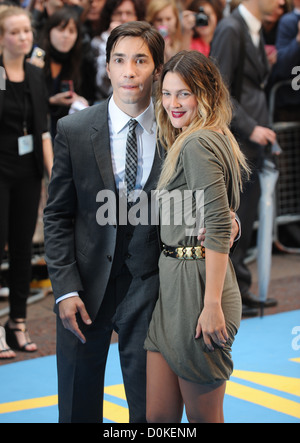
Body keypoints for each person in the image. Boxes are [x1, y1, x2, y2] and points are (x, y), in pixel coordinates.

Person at [144, 50, 248, 424]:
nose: (172, 104)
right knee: (158, 419)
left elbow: (219, 223)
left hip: (198, 287)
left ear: (206, 94)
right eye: (167, 93)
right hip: (172, 286)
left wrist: (212, 304)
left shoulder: (197, 142)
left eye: (183, 94)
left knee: (204, 419)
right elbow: (216, 214)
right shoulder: (204, 136)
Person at [210, 0, 281, 316]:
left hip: (253, 145)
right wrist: (251, 128)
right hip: (238, 145)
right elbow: (218, 90)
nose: (282, 2)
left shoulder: (252, 30)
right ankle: (228, 298)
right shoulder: (231, 29)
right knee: (233, 221)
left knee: (246, 220)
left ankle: (240, 290)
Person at [0, 6, 53, 360]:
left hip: (28, 173)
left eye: (27, 31)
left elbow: (43, 130)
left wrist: (53, 176)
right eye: (15, 32)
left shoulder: (36, 75)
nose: (23, 37)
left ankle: (16, 321)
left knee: (22, 248)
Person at [39, 7, 96, 138]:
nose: (66, 35)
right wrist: (51, 101)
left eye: (71, 31)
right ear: (49, 31)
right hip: (40, 132)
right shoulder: (36, 59)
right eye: (60, 29)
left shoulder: (82, 63)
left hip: (69, 133)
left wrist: (81, 101)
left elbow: (91, 98)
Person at [91, 0, 144, 101]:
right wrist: (112, 41)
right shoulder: (99, 42)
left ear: (137, 17)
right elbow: (104, 86)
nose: (123, 18)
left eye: (129, 13)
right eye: (118, 13)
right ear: (110, 17)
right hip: (107, 102)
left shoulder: (145, 43)